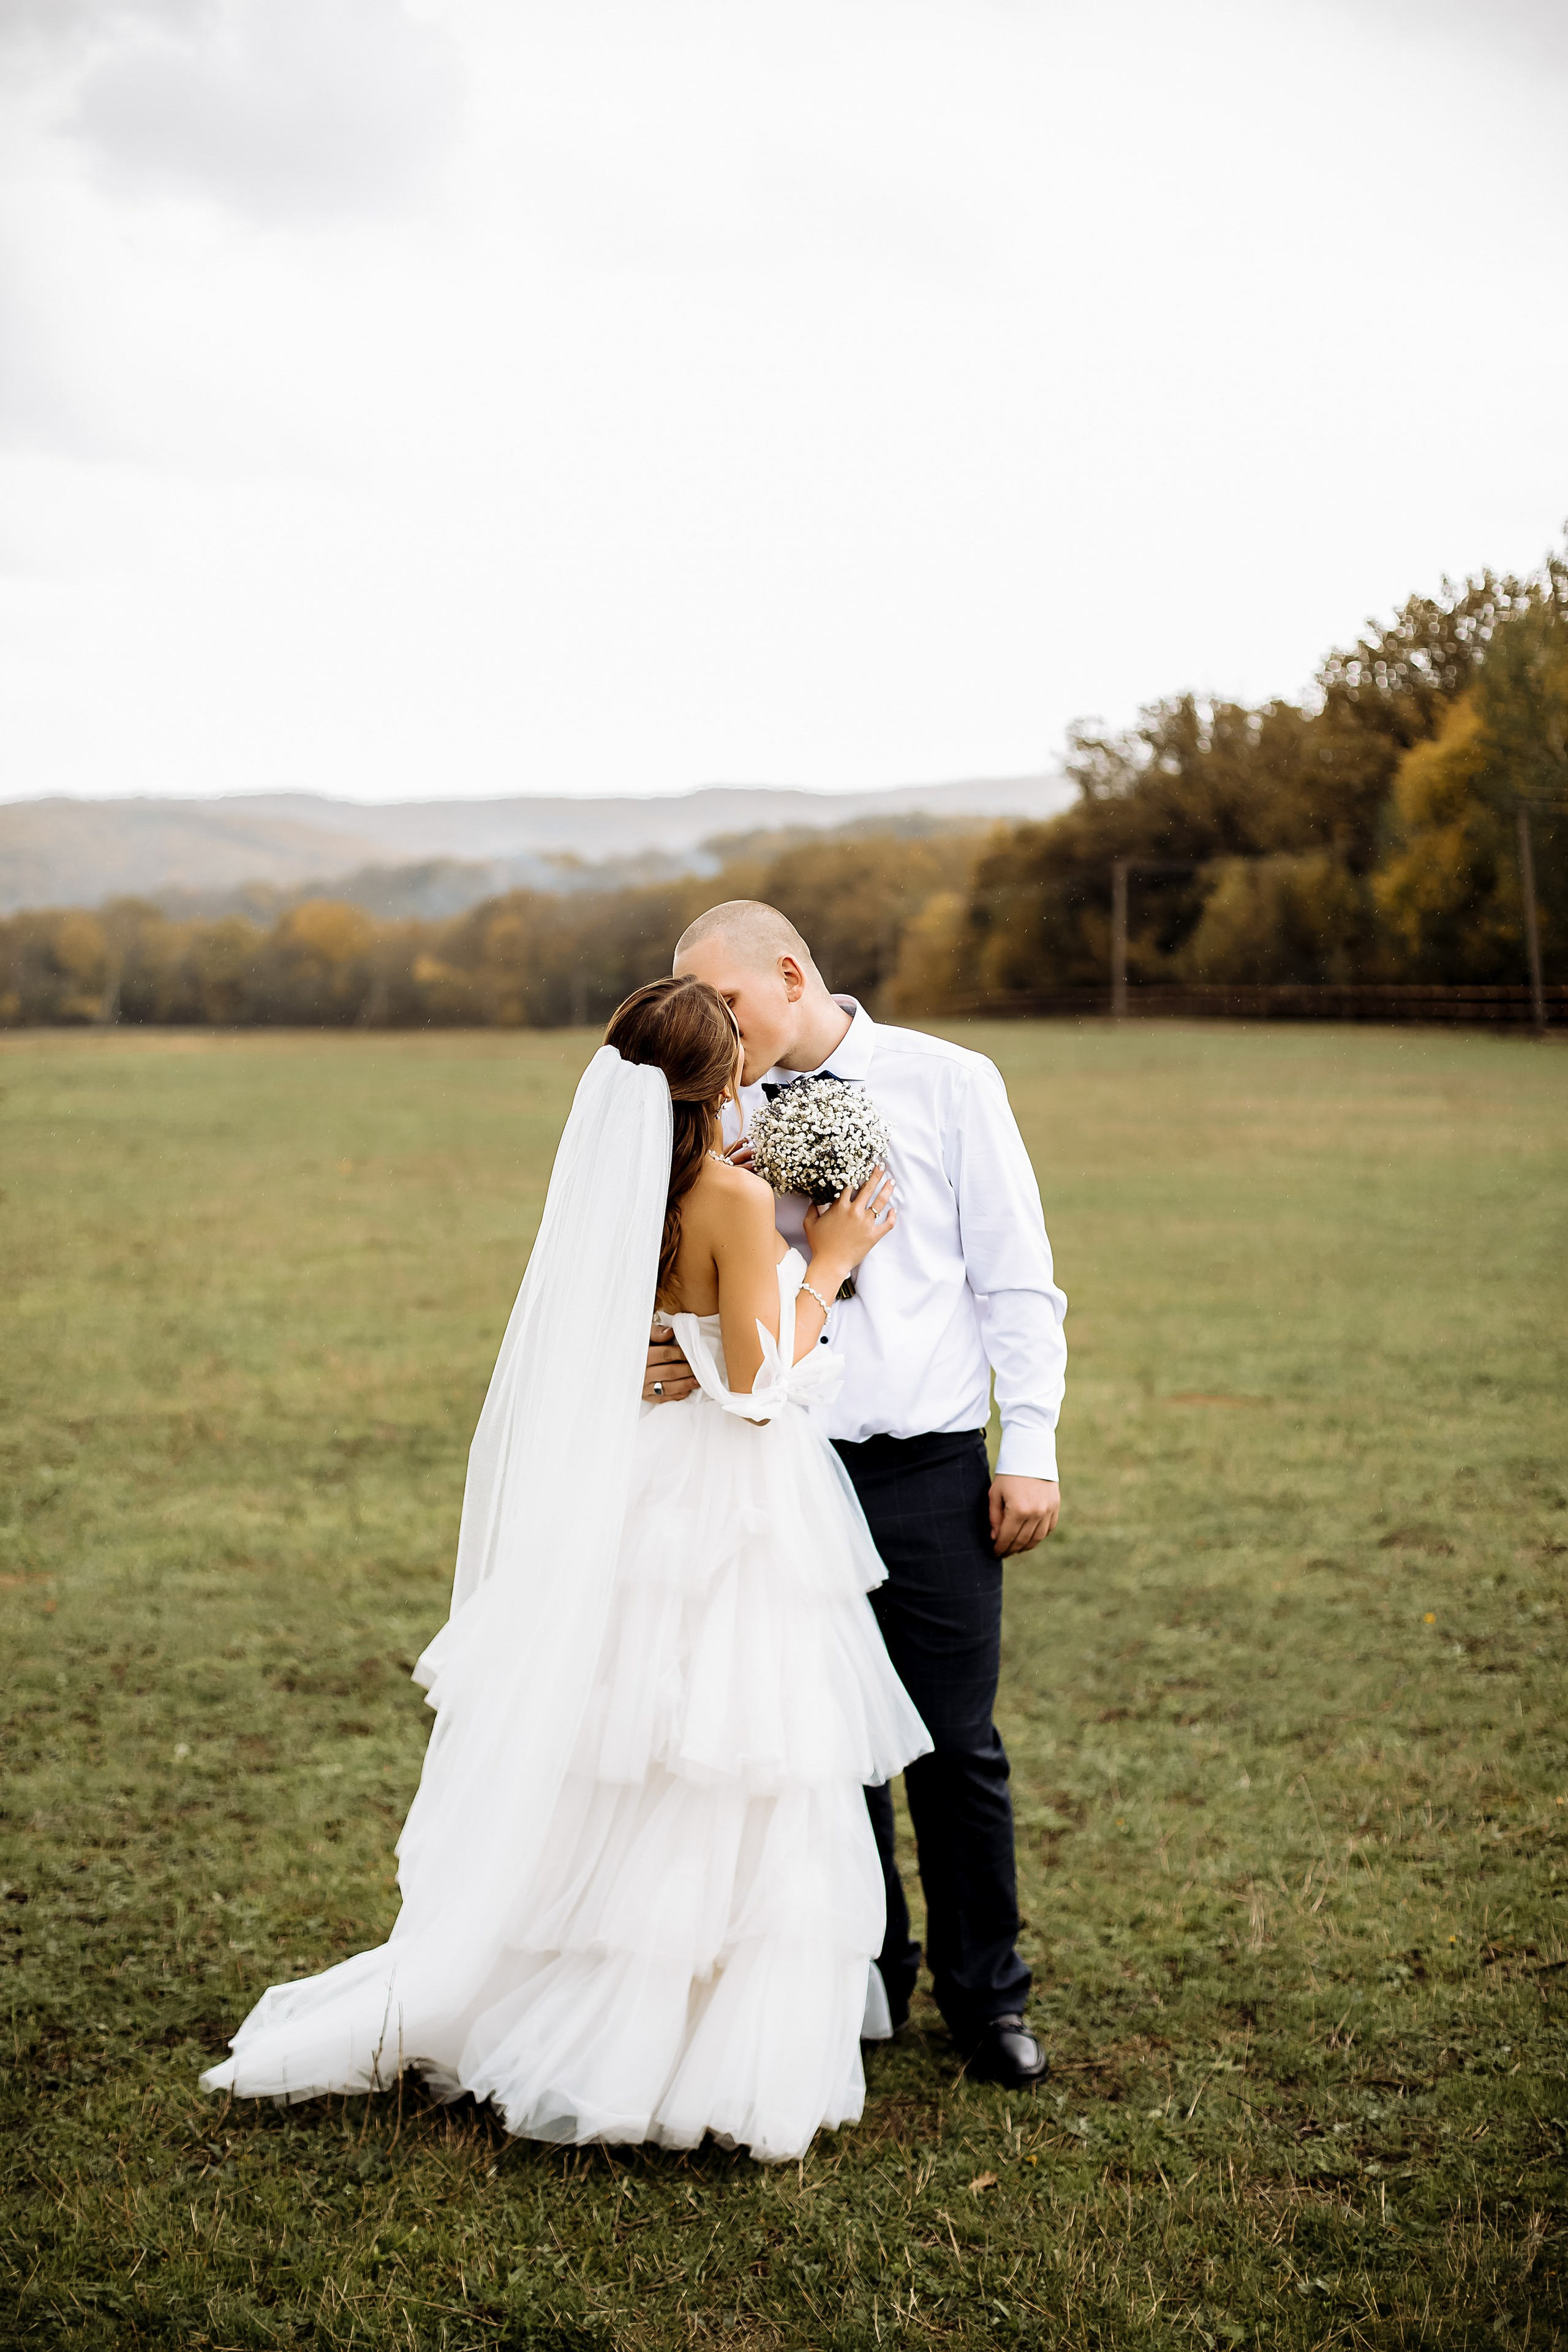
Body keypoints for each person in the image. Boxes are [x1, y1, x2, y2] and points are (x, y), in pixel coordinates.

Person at [202, 976, 930, 2163]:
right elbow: (758, 1392)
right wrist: (828, 1264)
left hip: (633, 1490)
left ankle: (567, 2009)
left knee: (616, 1757)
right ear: (722, 1081)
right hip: (727, 1503)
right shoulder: (734, 1199)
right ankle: (680, 2051)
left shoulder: (620, 1186)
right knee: (729, 1759)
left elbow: (639, 1343)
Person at [647, 902, 1066, 2091]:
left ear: (791, 974)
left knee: (955, 1744)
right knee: (820, 1747)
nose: (718, 1032)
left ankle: (987, 1997)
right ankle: (864, 1982)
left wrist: (1028, 1442)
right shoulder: (713, 1111)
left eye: (728, 1004)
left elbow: (1016, 1279)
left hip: (929, 1466)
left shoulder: (950, 1082)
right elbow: (680, 1272)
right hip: (779, 1469)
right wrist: (666, 1350)